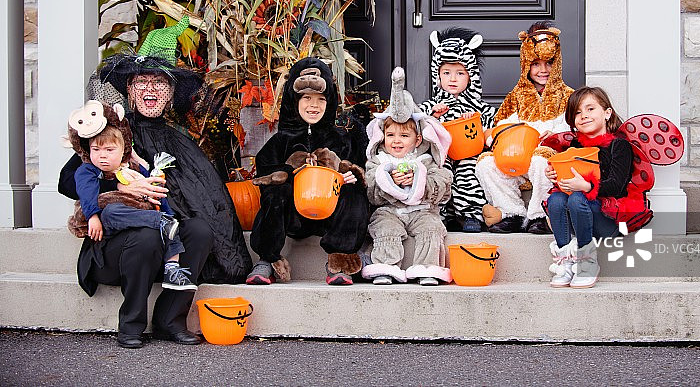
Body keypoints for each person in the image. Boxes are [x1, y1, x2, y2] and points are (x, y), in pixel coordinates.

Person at [59, 48, 251, 348]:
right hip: (115, 249)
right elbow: (67, 181)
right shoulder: (111, 134)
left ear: (170, 93)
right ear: (130, 91)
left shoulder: (180, 140)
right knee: (147, 235)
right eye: (141, 82)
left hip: (166, 249)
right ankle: (131, 325)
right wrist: (119, 187)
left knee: (200, 230)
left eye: (160, 83)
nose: (150, 89)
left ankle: (169, 319)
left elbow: (205, 198)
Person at [247, 57, 369, 286]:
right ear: (294, 101)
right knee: (275, 192)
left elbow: (359, 168)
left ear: (329, 102)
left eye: (321, 99)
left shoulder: (341, 139)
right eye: (307, 98)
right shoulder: (281, 140)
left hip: (329, 214)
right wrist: (286, 172)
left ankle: (339, 259)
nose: (314, 105)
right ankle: (268, 258)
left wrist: (351, 174)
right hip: (294, 216)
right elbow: (265, 169)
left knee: (354, 193)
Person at [71, 113, 194, 292]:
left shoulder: (134, 168)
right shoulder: (89, 170)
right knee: (111, 211)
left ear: (123, 151)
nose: (102, 156)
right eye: (96, 150)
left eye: (109, 150)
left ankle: (172, 269)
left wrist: (168, 214)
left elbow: (155, 193)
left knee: (170, 226)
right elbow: (86, 192)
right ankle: (160, 222)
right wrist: (92, 216)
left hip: (144, 221)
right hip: (111, 226)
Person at [475, 22, 574, 234]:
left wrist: (556, 136)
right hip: (517, 159)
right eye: (536, 64)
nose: (543, 70)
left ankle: (540, 214)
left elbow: (573, 128)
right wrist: (498, 137)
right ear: (526, 63)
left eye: (549, 63)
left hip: (548, 163)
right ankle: (512, 213)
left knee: (540, 159)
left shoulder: (568, 95)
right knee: (486, 163)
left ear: (557, 63)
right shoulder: (516, 96)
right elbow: (500, 125)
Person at [362, 67, 453, 286]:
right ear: (382, 137)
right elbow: (370, 188)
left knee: (432, 228)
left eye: (404, 135)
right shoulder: (378, 161)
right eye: (390, 135)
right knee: (385, 228)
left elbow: (443, 184)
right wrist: (388, 181)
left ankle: (427, 268)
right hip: (389, 211)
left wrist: (420, 182)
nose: (396, 140)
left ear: (418, 139)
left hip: (421, 211)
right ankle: (386, 266)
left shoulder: (425, 161)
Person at [545, 86, 632, 289]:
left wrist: (586, 186)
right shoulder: (575, 147)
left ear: (607, 113)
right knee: (556, 199)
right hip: (579, 216)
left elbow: (617, 187)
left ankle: (587, 261)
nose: (583, 115)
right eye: (577, 112)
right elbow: (568, 182)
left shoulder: (619, 146)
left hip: (608, 220)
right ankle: (566, 260)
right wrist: (556, 176)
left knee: (577, 197)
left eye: (590, 109)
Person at [418, 28, 496, 232]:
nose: (452, 79)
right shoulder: (429, 106)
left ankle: (471, 214)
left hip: (468, 154)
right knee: (438, 174)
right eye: (446, 73)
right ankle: (441, 215)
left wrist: (477, 122)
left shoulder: (479, 107)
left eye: (460, 73)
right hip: (440, 156)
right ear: (437, 75)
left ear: (471, 76)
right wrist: (433, 117)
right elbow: (415, 129)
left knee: (467, 174)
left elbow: (494, 129)